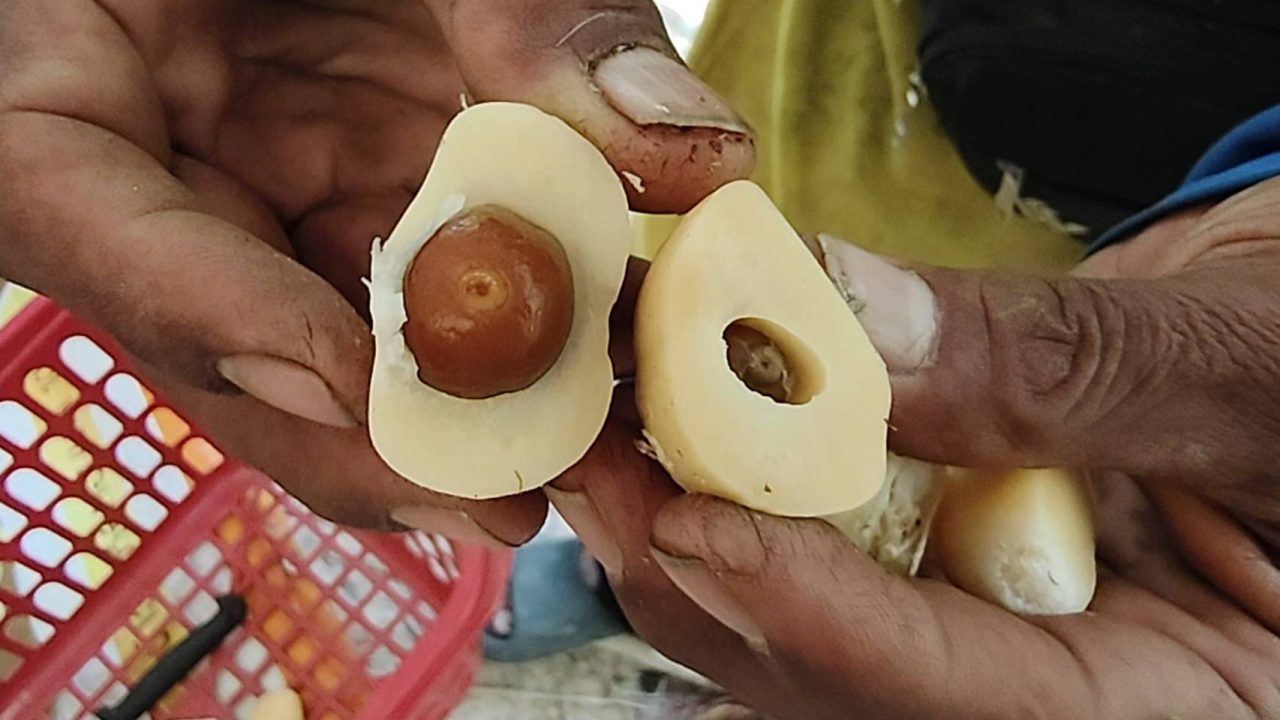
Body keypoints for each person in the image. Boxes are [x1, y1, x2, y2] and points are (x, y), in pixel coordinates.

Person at [3, 1, 1279, 718]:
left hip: (1157, 266)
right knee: (696, 308)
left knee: (828, 434)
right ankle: (615, 581)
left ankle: (659, 574)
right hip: (849, 81)